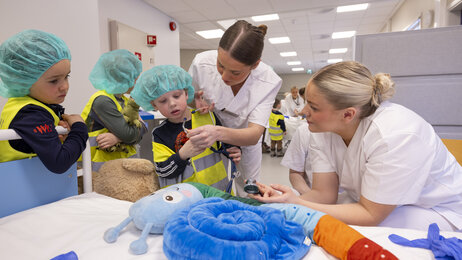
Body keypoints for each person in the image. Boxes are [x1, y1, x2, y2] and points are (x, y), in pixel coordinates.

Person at [250, 61, 462, 232]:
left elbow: (370, 215)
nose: (303, 111)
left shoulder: (395, 134)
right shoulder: (324, 130)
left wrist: (296, 204)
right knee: (310, 221)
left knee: (349, 232)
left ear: (348, 114)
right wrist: (285, 200)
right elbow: (325, 196)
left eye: (313, 107)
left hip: (436, 210)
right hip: (376, 205)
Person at [188, 20, 282, 197]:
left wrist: (216, 133)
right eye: (220, 65)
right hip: (209, 139)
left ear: (255, 65)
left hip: (245, 143)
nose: (224, 76)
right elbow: (189, 99)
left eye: (235, 72)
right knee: (209, 186)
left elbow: (254, 134)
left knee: (248, 191)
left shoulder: (268, 81)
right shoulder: (201, 63)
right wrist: (196, 103)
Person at [130, 65, 241, 191]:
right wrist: (182, 155)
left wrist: (234, 151)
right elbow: (163, 171)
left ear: (187, 94)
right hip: (187, 199)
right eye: (163, 101)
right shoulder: (160, 133)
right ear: (154, 105)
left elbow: (224, 144)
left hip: (218, 192)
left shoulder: (207, 118)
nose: (172, 104)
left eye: (176, 96)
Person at [0, 29, 88, 173]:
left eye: (67, 76)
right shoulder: (31, 114)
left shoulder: (18, 105)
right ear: (24, 79)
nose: (65, 86)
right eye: (54, 81)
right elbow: (59, 162)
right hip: (25, 191)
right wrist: (79, 128)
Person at [80, 49, 146, 171]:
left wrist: (118, 138)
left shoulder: (124, 100)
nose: (137, 82)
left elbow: (143, 127)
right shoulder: (103, 101)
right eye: (135, 77)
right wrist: (125, 136)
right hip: (101, 169)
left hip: (121, 166)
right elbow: (129, 133)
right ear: (123, 78)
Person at [280, 123, 311, 194]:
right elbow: (296, 173)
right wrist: (310, 197)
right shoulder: (304, 131)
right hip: (311, 198)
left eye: (316, 110)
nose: (304, 111)